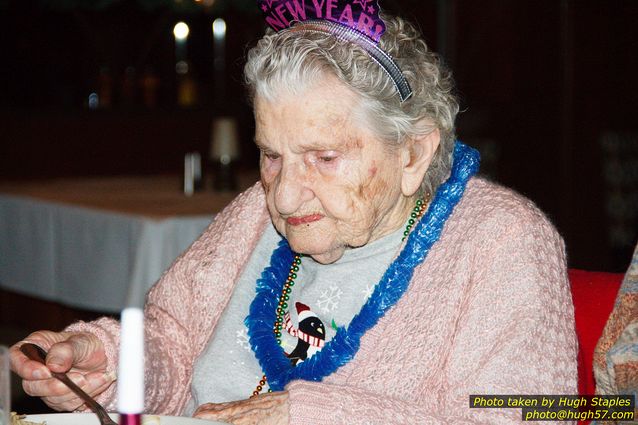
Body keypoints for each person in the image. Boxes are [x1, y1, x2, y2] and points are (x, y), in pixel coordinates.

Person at [10, 2, 578, 424]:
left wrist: (310, 415)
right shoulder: (254, 213)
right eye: (271, 155)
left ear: (413, 152)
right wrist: (108, 366)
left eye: (324, 158)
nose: (282, 198)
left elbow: (526, 414)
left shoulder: (502, 241)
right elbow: (175, 345)